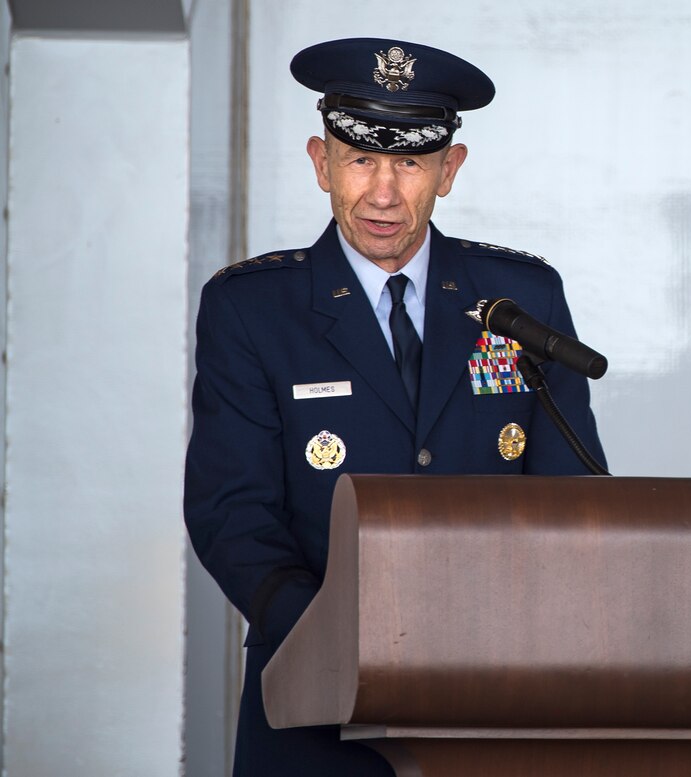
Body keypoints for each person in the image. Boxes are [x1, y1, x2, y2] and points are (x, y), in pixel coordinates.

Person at [183, 37, 606, 776]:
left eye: (409, 162)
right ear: (321, 162)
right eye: (360, 159)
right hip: (313, 710)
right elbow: (231, 511)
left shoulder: (521, 302)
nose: (383, 191)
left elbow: (571, 496)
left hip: (492, 699)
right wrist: (339, 641)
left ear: (450, 169)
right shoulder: (252, 309)